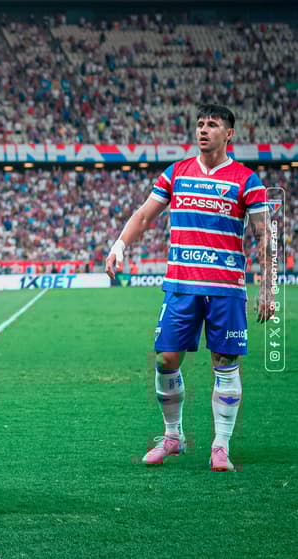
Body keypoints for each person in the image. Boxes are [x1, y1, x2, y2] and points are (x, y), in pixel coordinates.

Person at [105, 104, 273, 472]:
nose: (203, 130)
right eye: (200, 124)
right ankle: (173, 436)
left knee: (225, 364)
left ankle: (220, 445)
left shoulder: (247, 180)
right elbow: (145, 214)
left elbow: (265, 235)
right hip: (181, 285)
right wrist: (119, 246)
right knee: (166, 358)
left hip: (226, 288)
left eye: (212, 124)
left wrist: (268, 287)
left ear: (229, 133)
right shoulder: (176, 173)